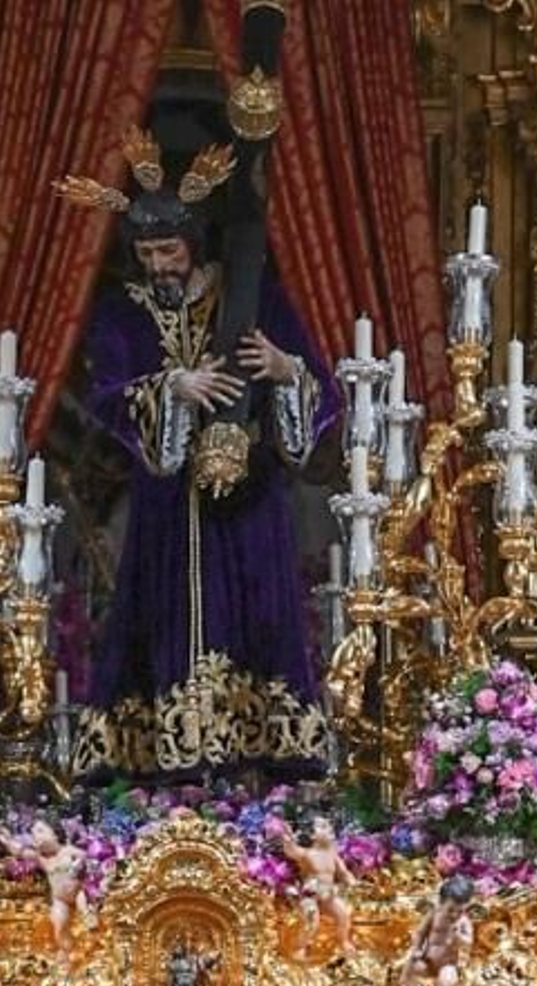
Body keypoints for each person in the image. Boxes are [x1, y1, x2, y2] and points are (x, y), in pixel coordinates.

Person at [54, 128, 338, 780]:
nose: (159, 265)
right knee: (158, 630)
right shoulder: (122, 313)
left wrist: (283, 369)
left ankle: (263, 771)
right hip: (164, 510)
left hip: (252, 505)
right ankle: (162, 775)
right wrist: (171, 388)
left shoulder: (255, 293)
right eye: (148, 253)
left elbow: (317, 384)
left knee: (261, 625)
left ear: (196, 242)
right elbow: (108, 395)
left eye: (169, 250)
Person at [0, 819, 91, 957]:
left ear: (55, 834)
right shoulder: (42, 859)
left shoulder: (69, 851)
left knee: (85, 912)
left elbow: (89, 859)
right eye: (34, 834)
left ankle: (90, 944)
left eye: (41, 831)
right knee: (58, 924)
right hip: (60, 900)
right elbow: (20, 851)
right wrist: (7, 840)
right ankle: (68, 953)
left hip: (78, 893)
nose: (37, 836)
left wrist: (81, 865)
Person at [398, 876, 475, 986]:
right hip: (428, 961)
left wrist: (459, 937)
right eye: (450, 910)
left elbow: (468, 943)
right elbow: (420, 933)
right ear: (441, 903)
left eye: (460, 911)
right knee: (411, 965)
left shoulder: (464, 922)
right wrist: (416, 948)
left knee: (445, 981)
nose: (454, 915)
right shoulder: (434, 915)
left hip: (448, 965)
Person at [277, 815, 355, 958]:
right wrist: (288, 840)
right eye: (323, 827)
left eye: (329, 826)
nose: (330, 829)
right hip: (310, 896)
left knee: (344, 914)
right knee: (312, 920)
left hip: (328, 896)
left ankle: (343, 941)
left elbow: (343, 871)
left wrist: (349, 878)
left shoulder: (332, 854)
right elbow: (292, 851)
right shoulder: (308, 854)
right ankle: (299, 947)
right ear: (313, 835)